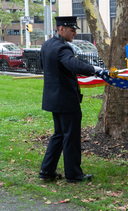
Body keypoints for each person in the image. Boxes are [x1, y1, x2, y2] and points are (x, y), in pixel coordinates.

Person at [38, 16, 102, 183]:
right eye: (71, 30)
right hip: (66, 100)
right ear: (61, 29)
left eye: (74, 30)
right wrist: (95, 69)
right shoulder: (63, 48)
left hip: (53, 99)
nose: (74, 33)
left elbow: (43, 67)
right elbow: (73, 65)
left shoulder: (46, 45)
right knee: (71, 137)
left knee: (59, 134)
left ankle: (47, 170)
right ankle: (74, 175)